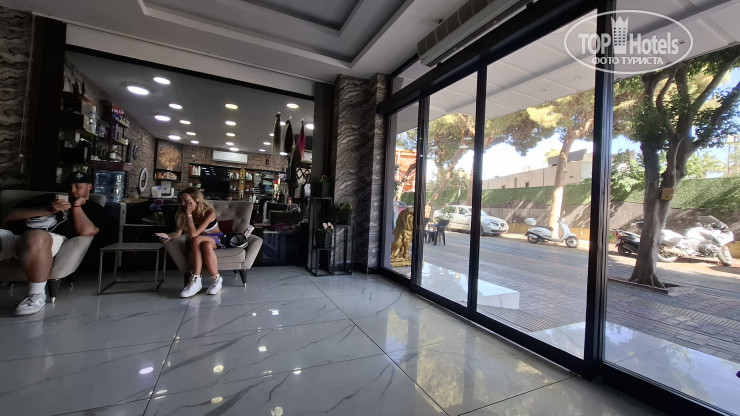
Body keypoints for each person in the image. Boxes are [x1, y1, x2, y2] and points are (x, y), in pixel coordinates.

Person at [0, 171, 107, 316]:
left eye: (77, 186)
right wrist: (47, 209)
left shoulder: (92, 207)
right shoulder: (48, 199)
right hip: (16, 238)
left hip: (50, 241)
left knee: (35, 236)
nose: (72, 190)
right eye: (69, 186)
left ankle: (36, 295)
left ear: (89, 187)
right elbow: (9, 216)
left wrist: (76, 207)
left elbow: (86, 231)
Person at [157, 187, 223, 297]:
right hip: (202, 242)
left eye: (186, 200)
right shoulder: (183, 213)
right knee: (205, 245)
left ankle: (195, 279)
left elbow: (193, 234)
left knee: (196, 238)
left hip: (216, 238)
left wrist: (189, 213)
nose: (183, 204)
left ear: (196, 199)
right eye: (181, 201)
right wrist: (167, 236)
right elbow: (178, 233)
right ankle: (217, 280)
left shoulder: (209, 212)